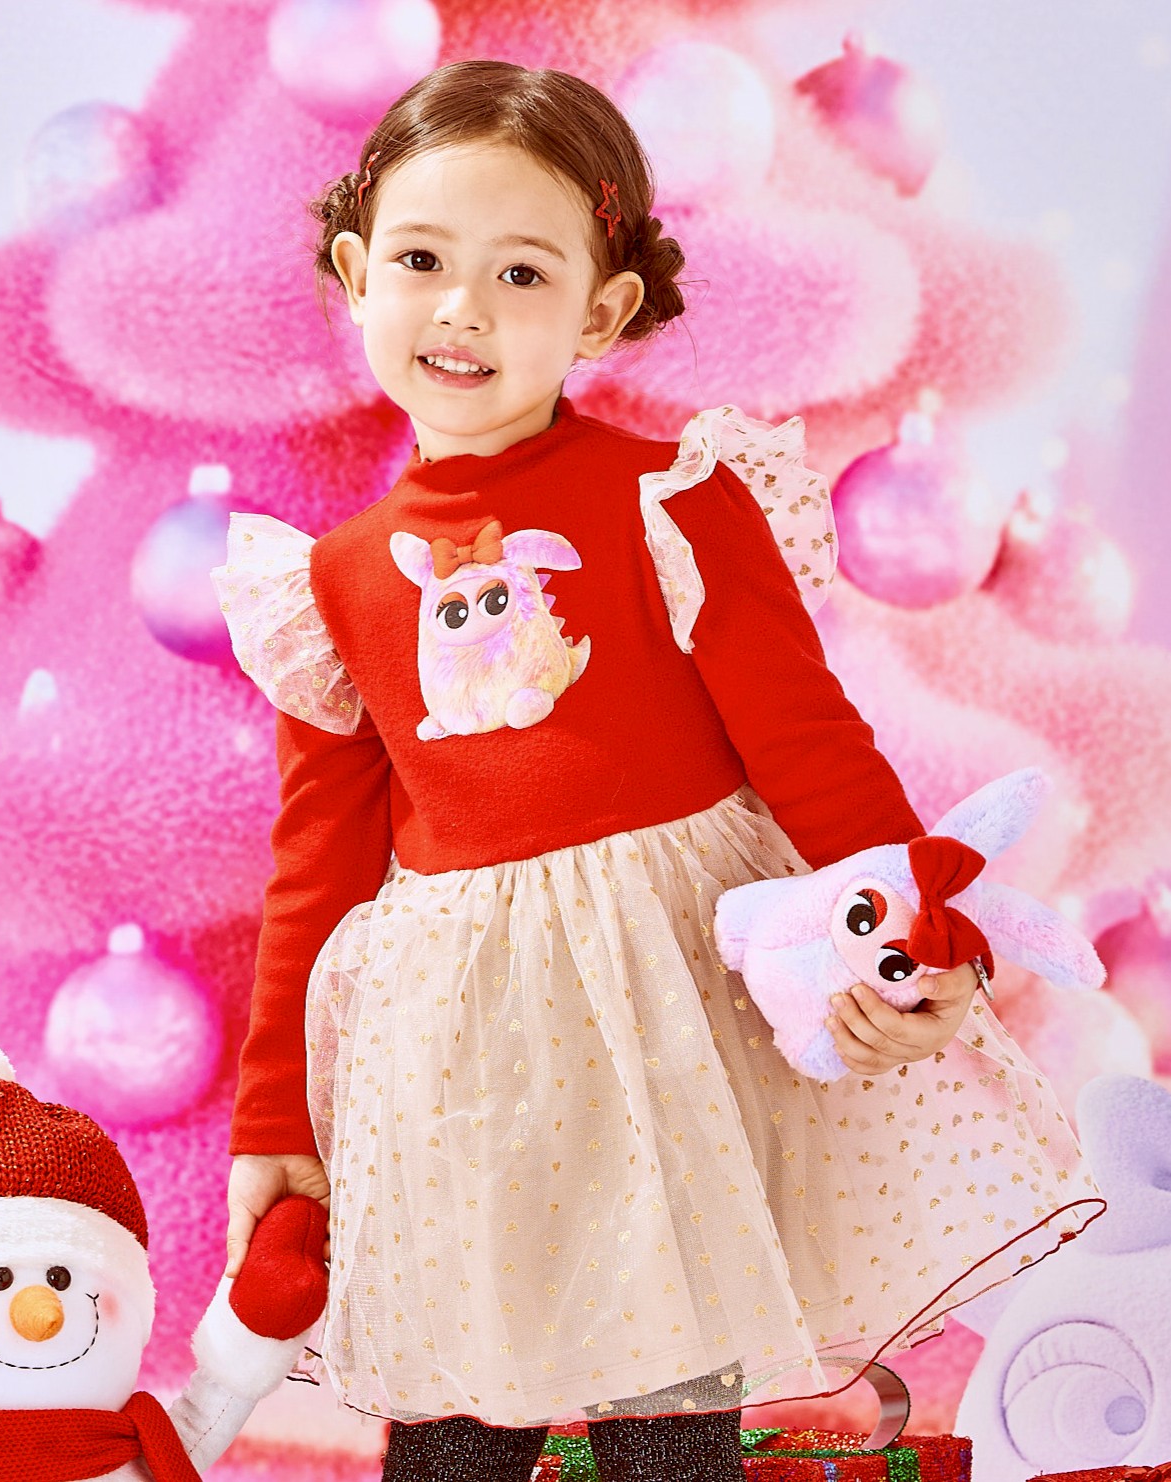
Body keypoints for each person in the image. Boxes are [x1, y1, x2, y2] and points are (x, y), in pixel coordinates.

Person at [212, 59, 1099, 1482]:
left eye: (521, 272)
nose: (462, 307)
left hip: (669, 990)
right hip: (454, 1029)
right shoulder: (329, 582)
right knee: (455, 1378)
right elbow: (313, 859)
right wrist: (274, 1120)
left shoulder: (670, 499)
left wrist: (912, 931)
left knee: (668, 1372)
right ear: (358, 273)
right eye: (424, 261)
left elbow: (809, 743)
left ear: (601, 310)